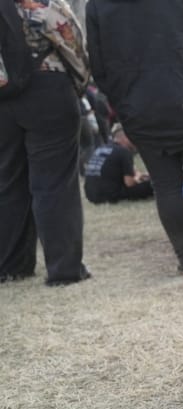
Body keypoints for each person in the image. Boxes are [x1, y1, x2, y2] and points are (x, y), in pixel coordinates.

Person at [87, 0, 183, 275]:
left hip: (141, 113)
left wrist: (125, 109)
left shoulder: (97, 6)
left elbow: (99, 68)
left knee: (166, 187)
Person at [0, 0, 91, 285]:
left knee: (7, 183)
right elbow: (71, 38)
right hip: (48, 90)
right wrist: (80, 82)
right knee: (55, 184)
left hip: (3, 102)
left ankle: (12, 265)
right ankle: (64, 269)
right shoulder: (34, 3)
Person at [83, 123, 152, 204]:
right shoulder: (124, 152)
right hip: (109, 196)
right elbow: (130, 183)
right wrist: (138, 177)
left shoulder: (101, 149)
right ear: (125, 137)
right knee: (151, 185)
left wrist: (140, 175)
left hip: (91, 195)